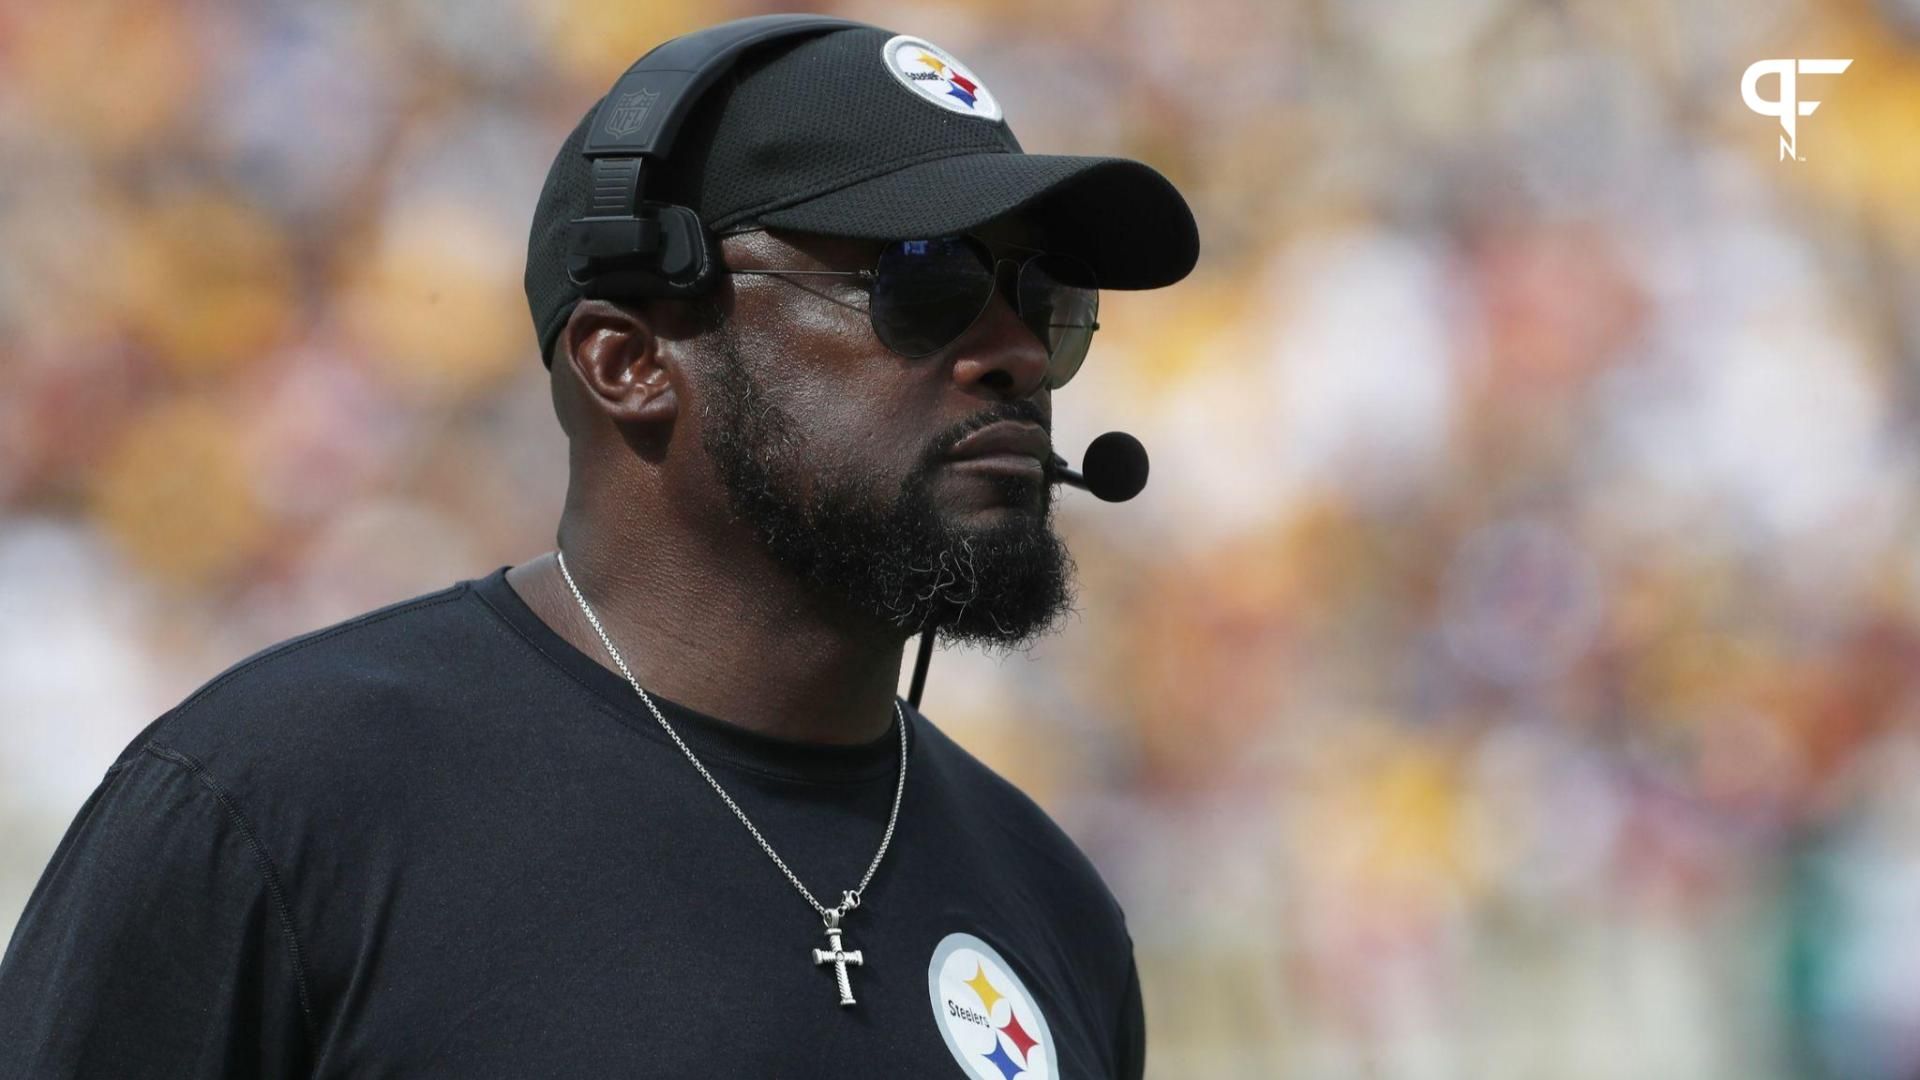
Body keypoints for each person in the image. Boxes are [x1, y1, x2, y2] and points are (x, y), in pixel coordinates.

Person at [0, 16, 1197, 1078]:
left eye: (1041, 299)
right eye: (922, 281)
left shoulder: (1052, 901)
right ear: (628, 361)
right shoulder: (278, 807)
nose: (1020, 355)